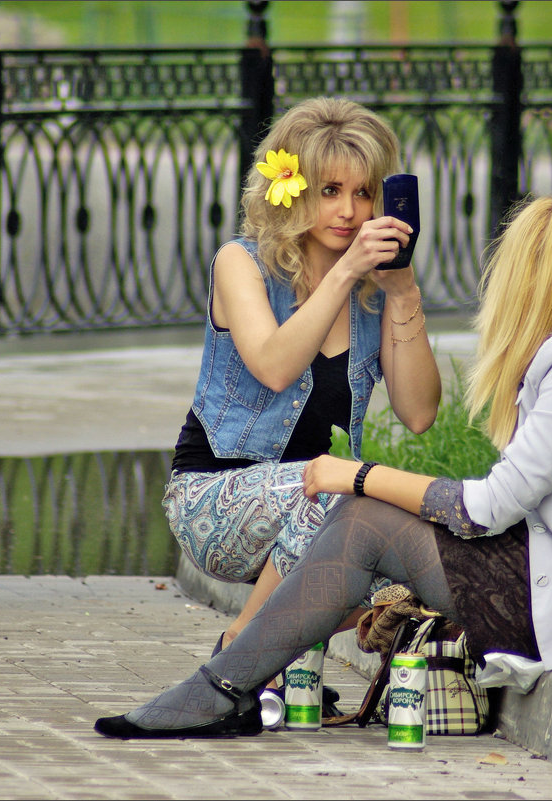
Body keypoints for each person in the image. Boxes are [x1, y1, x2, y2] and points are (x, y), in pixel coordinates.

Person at [94, 193, 552, 739]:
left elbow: (488, 506)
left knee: (362, 516)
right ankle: (229, 684)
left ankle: (221, 687)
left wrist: (353, 473)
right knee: (361, 521)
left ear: (519, 272)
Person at [160, 98, 441, 683]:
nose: (348, 210)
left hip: (313, 509)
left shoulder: (374, 293)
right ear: (291, 189)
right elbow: (274, 367)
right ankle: (239, 653)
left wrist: (404, 292)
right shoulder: (241, 264)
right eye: (330, 190)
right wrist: (343, 273)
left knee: (416, 559)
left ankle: (283, 658)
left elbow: (419, 413)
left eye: (364, 193)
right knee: (337, 489)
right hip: (214, 498)